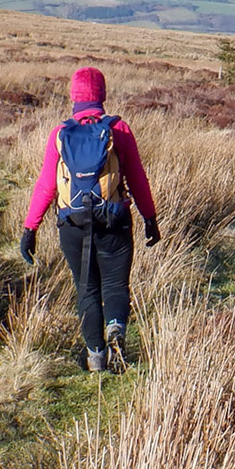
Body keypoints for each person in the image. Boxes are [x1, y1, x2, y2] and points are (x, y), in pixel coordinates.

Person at [18, 67, 160, 371]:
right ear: (102, 95)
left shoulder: (60, 133)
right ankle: (116, 330)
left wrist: (30, 228)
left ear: (74, 96)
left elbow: (47, 186)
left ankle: (96, 355)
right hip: (114, 219)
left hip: (72, 224)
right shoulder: (118, 129)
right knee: (115, 284)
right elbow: (137, 179)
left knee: (86, 288)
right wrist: (150, 218)